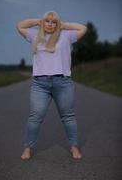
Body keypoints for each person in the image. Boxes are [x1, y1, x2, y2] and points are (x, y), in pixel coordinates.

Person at [16, 11, 87, 160]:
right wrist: (38, 21)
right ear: (43, 22)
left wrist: (63, 25)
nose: (50, 24)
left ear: (57, 23)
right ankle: (27, 148)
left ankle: (74, 147)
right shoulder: (35, 35)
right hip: (40, 84)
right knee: (35, 117)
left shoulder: (66, 35)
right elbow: (19, 25)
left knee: (68, 116)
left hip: (63, 82)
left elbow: (83, 28)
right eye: (47, 21)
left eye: (53, 22)